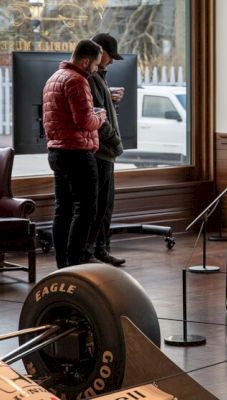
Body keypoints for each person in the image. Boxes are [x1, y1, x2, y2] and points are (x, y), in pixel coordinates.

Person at [43, 39, 106, 268]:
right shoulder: (77, 80)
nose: (97, 69)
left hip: (57, 152)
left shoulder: (53, 78)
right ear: (85, 61)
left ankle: (63, 266)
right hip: (77, 153)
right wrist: (100, 115)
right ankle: (75, 264)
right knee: (86, 209)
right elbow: (85, 121)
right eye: (96, 65)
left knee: (63, 209)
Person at [85, 33, 126, 266]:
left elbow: (100, 109)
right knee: (99, 206)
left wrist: (111, 100)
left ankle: (99, 249)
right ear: (99, 51)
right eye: (110, 56)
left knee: (105, 205)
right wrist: (117, 143)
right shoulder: (90, 78)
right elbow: (98, 119)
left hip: (104, 150)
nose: (111, 61)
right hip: (100, 151)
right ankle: (93, 250)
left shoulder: (99, 76)